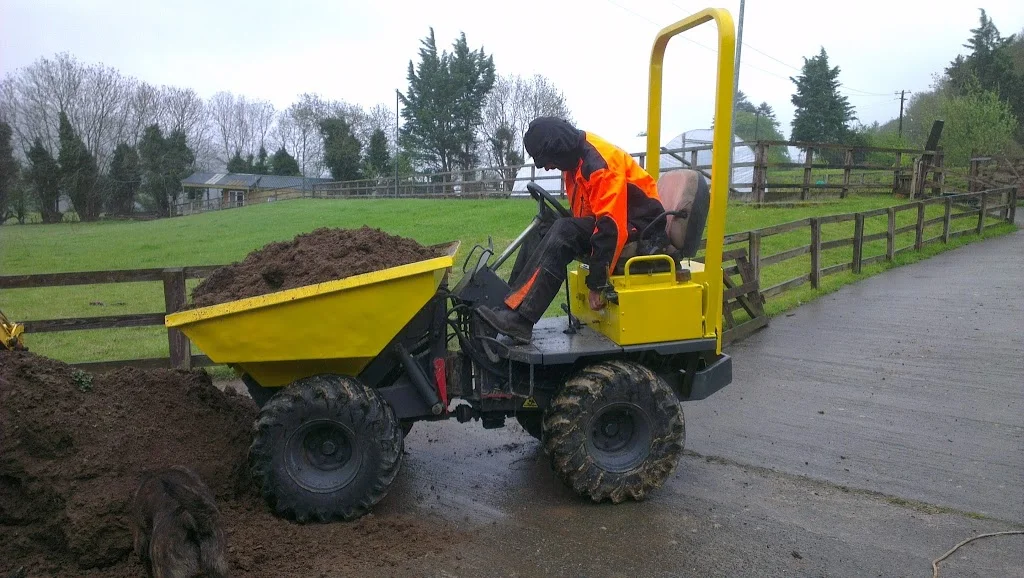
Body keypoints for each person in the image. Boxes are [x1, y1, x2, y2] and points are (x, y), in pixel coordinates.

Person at [474, 116, 666, 344]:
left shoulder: (599, 164)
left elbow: (611, 225)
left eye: (547, 160)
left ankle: (521, 319)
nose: (546, 166)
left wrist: (597, 283)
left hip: (642, 228)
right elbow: (587, 213)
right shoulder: (574, 163)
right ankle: (509, 304)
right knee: (544, 227)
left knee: (564, 231)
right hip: (617, 220)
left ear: (558, 149)